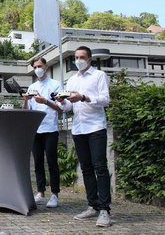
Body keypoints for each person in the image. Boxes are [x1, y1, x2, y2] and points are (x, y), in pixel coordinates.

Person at [55, 46, 112, 227]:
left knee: (100, 167)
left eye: (82, 57)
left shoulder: (99, 76)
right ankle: (92, 205)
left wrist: (84, 97)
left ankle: (104, 210)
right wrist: (62, 101)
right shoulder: (72, 80)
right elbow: (69, 109)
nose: (78, 60)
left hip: (95, 127)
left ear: (89, 59)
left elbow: (105, 100)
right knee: (86, 168)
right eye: (76, 57)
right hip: (78, 129)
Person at [23, 57, 62, 208]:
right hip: (36, 129)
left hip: (50, 128)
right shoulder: (32, 86)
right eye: (35, 67)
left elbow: (61, 108)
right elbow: (26, 112)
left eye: (40, 66)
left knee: (52, 161)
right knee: (38, 162)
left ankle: (55, 194)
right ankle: (40, 192)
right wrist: (26, 100)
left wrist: (45, 101)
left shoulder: (55, 84)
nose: (38, 68)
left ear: (46, 66)